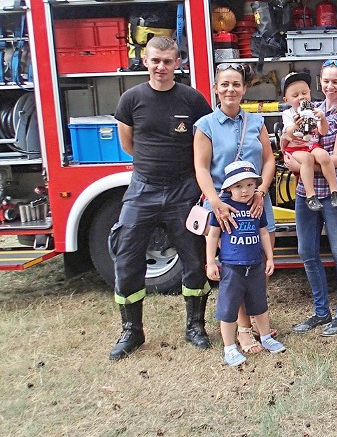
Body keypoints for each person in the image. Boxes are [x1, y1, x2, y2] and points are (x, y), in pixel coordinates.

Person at [108, 36, 213, 361]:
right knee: (127, 257)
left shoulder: (192, 99)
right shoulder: (131, 98)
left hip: (184, 189)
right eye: (155, 60)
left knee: (194, 258)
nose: (161, 67)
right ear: (145, 60)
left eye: (168, 61)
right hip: (143, 188)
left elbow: (205, 138)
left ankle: (195, 326)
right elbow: (128, 142)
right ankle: (132, 331)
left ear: (178, 63)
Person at [194, 62, 277, 355]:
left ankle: (257, 318)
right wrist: (215, 202)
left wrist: (261, 191)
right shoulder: (205, 126)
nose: (231, 89)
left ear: (244, 88)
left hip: (257, 202)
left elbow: (268, 160)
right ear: (216, 89)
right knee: (235, 266)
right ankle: (243, 330)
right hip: (224, 208)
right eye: (224, 84)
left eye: (236, 84)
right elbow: (201, 168)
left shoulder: (256, 122)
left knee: (257, 266)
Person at [281, 59, 337, 337]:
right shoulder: (310, 108)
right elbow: (288, 139)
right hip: (308, 191)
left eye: (336, 81)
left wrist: (298, 166)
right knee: (307, 252)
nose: (330, 86)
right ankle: (320, 311)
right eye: (325, 81)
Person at [205, 161, 285, 366]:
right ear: (229, 188)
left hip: (256, 264)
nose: (245, 191)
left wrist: (270, 258)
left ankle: (266, 337)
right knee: (229, 308)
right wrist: (211, 262)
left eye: (250, 185)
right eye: (239, 186)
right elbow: (213, 236)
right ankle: (229, 347)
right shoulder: (223, 208)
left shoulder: (256, 207)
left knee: (260, 304)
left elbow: (264, 233)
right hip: (232, 267)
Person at [280, 71, 337, 211]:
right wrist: (297, 124)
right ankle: (310, 195)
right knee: (307, 159)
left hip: (312, 144)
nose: (301, 98)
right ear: (286, 100)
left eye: (304, 93)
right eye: (295, 95)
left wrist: (322, 118)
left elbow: (323, 131)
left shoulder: (315, 109)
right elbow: (290, 132)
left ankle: (334, 191)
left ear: (310, 93)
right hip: (295, 148)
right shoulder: (288, 113)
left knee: (324, 156)